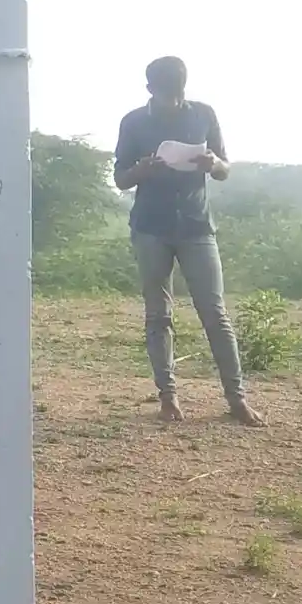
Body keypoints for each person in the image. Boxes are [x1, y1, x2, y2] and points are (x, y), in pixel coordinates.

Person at [113, 57, 261, 426]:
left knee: (215, 313)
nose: (174, 101)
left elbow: (225, 168)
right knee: (158, 315)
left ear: (185, 86)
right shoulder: (133, 122)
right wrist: (142, 169)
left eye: (178, 93)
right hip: (151, 227)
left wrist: (213, 164)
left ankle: (237, 400)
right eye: (167, 95)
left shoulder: (203, 114)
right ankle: (168, 398)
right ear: (150, 90)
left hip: (197, 226)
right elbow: (121, 179)